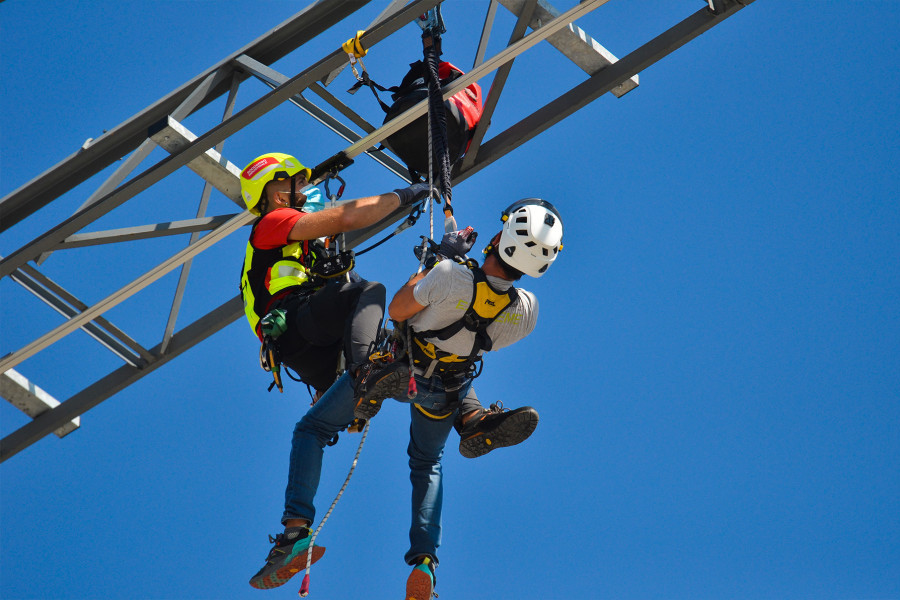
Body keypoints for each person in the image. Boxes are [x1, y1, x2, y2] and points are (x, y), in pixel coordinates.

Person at [252, 197, 563, 599]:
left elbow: (399, 310)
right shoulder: (527, 311)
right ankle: (425, 561)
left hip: (401, 367)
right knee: (428, 460)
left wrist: (439, 263)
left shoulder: (450, 275)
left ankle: (296, 530)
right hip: (446, 393)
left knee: (311, 428)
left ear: (501, 237)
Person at [238, 152, 430, 589]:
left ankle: (293, 534)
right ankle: (367, 373)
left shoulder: (305, 246)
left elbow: (333, 248)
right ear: (264, 197)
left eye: (296, 185)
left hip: (307, 350)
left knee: (313, 428)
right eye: (282, 186)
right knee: (370, 290)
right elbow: (345, 216)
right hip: (296, 321)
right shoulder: (269, 225)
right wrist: (404, 195)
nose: (294, 192)